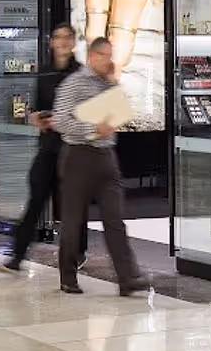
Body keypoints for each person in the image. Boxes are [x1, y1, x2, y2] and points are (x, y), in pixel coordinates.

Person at [51, 36, 146, 296]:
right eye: (104, 55)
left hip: (106, 157)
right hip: (78, 156)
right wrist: (92, 128)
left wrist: (115, 87)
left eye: (111, 55)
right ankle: (68, 276)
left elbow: (121, 112)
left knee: (115, 219)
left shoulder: (109, 83)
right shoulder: (74, 83)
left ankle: (128, 278)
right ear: (92, 56)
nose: (109, 60)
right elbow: (60, 121)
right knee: (73, 220)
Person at [0, 24, 91, 274]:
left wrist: (63, 120)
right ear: (51, 42)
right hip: (48, 147)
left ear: (73, 42)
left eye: (66, 37)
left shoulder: (81, 74)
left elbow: (86, 113)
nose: (61, 42)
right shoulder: (45, 73)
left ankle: (77, 253)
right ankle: (17, 255)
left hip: (71, 149)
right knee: (36, 199)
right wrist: (35, 118)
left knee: (72, 205)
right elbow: (36, 108)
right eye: (57, 37)